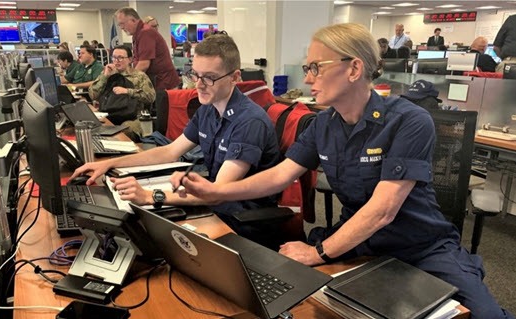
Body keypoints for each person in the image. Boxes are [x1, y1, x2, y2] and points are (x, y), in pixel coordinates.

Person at [177, 23, 514, 319]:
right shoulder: (322, 124)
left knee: (483, 314)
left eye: (315, 67)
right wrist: (215, 191)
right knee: (290, 298)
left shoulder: (409, 120)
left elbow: (382, 211)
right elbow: (280, 175)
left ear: (354, 69)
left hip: (420, 246)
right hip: (356, 241)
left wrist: (319, 252)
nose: (307, 78)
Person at [71, 34, 282, 248]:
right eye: (195, 75)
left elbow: (218, 192)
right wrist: (108, 164)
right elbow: (169, 152)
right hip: (214, 208)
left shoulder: (249, 121)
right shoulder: (209, 109)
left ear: (235, 77)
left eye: (209, 77)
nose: (199, 85)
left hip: (241, 222)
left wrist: (151, 196)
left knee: (151, 245)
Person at [89, 45, 155, 134]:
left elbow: (150, 97)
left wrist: (128, 91)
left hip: (133, 117)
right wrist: (105, 77)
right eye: (114, 57)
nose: (116, 61)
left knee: (124, 131)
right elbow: (93, 95)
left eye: (120, 58)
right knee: (92, 128)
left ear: (130, 59)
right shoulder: (108, 74)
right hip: (109, 114)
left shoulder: (139, 76)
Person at [116, 8, 179, 90]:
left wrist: (128, 82)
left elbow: (143, 64)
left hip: (163, 84)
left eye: (122, 24)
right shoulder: (138, 34)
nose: (121, 28)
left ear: (133, 20)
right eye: (120, 25)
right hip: (157, 82)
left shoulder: (145, 33)